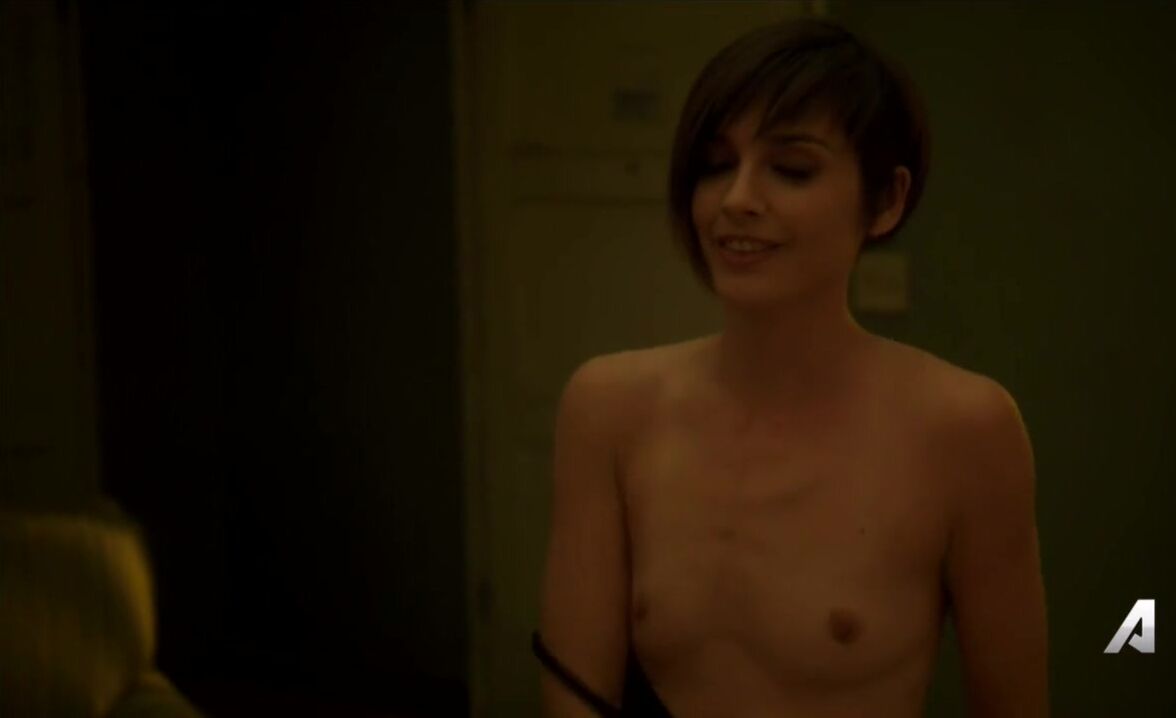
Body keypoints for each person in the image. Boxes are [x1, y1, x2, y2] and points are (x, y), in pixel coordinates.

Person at [534, 16, 1048, 718]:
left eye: (792, 169)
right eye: (716, 164)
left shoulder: (964, 429)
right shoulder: (609, 408)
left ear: (886, 200)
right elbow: (574, 694)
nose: (737, 199)